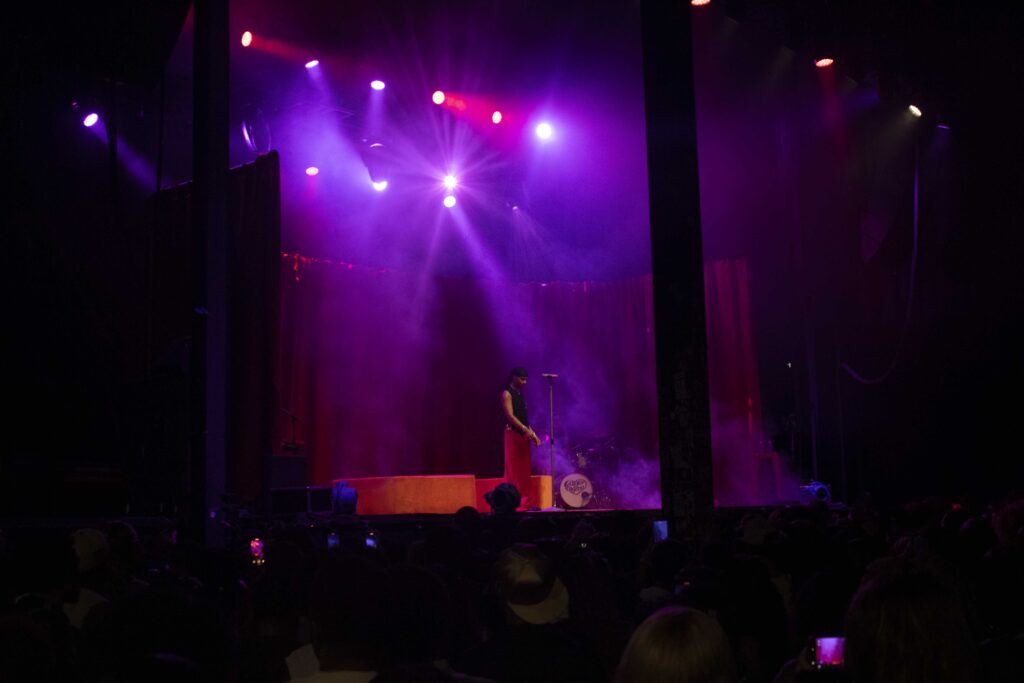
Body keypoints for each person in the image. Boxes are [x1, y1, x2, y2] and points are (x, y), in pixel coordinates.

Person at [501, 367, 541, 510]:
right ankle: (512, 503)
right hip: (513, 434)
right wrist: (525, 430)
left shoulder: (519, 394)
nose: (524, 382)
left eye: (526, 380)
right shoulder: (507, 393)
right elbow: (510, 416)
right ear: (514, 377)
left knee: (524, 470)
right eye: (522, 379)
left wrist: (533, 434)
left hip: (523, 435)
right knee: (514, 470)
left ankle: (525, 503)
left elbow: (523, 418)